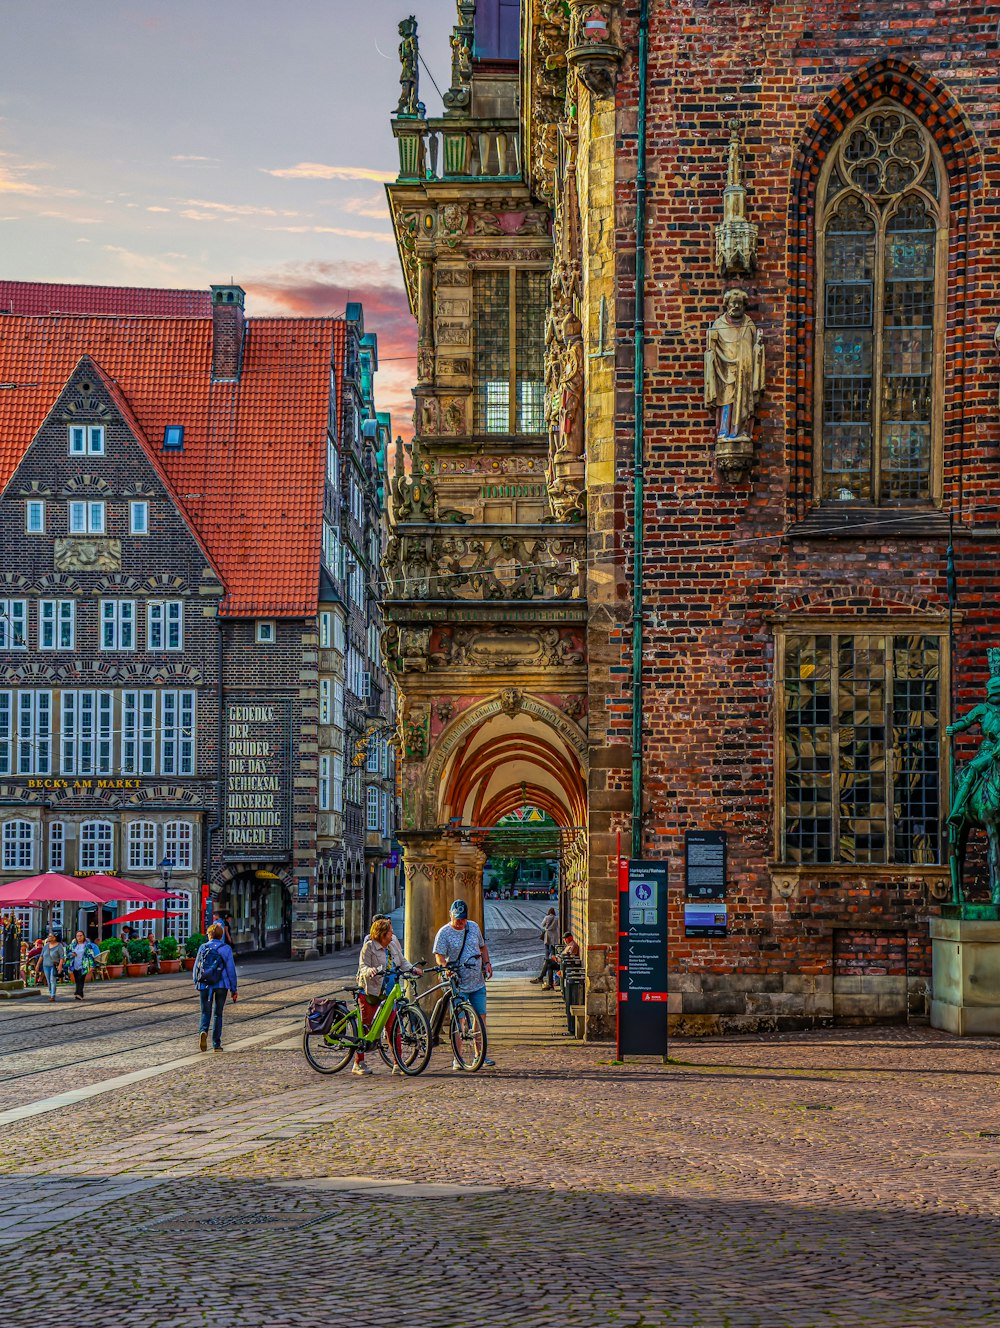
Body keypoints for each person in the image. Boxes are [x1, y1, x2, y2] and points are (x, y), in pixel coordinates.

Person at [432, 900, 495, 1071]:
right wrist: (446, 968)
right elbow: (439, 956)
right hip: (458, 984)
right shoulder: (444, 933)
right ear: (450, 915)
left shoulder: (473, 927)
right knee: (458, 1020)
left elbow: (482, 947)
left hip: (477, 981)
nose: (461, 922)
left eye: (463, 919)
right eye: (458, 919)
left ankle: (480, 1054)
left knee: (480, 1018)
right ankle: (457, 1058)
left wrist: (487, 963)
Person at [355, 917, 422, 1077]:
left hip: (388, 995)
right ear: (382, 934)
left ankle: (397, 1064)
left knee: (394, 1028)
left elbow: (402, 961)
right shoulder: (369, 947)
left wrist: (412, 969)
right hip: (371, 993)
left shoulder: (392, 946)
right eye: (390, 932)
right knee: (365, 1027)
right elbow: (362, 966)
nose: (393, 934)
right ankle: (358, 1062)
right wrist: (370, 971)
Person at [193, 922, 238, 1052]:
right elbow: (231, 970)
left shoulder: (203, 948)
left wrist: (197, 982)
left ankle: (203, 1031)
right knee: (218, 1013)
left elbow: (197, 967)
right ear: (220, 935)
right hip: (221, 985)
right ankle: (216, 1044)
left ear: (209, 935)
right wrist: (233, 989)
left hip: (205, 984)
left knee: (205, 1012)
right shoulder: (226, 949)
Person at [531, 907, 560, 986]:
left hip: (547, 935)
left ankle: (547, 959)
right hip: (554, 935)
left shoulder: (546, 917)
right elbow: (558, 926)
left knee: (547, 949)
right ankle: (551, 958)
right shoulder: (556, 918)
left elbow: (542, 924)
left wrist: (547, 926)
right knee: (553, 948)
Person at [67, 931, 100, 1000]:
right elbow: (67, 953)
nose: (79, 937)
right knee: (77, 979)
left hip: (84, 965)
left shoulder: (87, 945)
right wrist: (71, 955)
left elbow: (90, 955)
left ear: (84, 936)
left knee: (81, 979)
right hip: (75, 964)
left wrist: (91, 966)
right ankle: (80, 994)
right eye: (77, 936)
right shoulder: (73, 945)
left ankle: (78, 992)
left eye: (80, 935)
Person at [35, 933, 66, 1002]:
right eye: (48, 936)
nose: (49, 937)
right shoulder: (46, 946)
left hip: (54, 965)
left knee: (53, 980)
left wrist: (60, 965)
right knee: (48, 981)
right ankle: (50, 992)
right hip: (45, 965)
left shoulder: (59, 946)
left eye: (50, 936)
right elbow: (41, 956)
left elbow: (61, 957)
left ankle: (52, 995)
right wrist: (37, 965)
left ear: (55, 938)